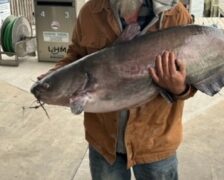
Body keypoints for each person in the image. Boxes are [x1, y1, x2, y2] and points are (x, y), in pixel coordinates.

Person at [38, 0, 196, 179]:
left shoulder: (175, 14)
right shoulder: (91, 11)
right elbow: (74, 56)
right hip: (104, 142)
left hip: (155, 141)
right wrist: (53, 75)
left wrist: (180, 88)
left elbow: (197, 73)